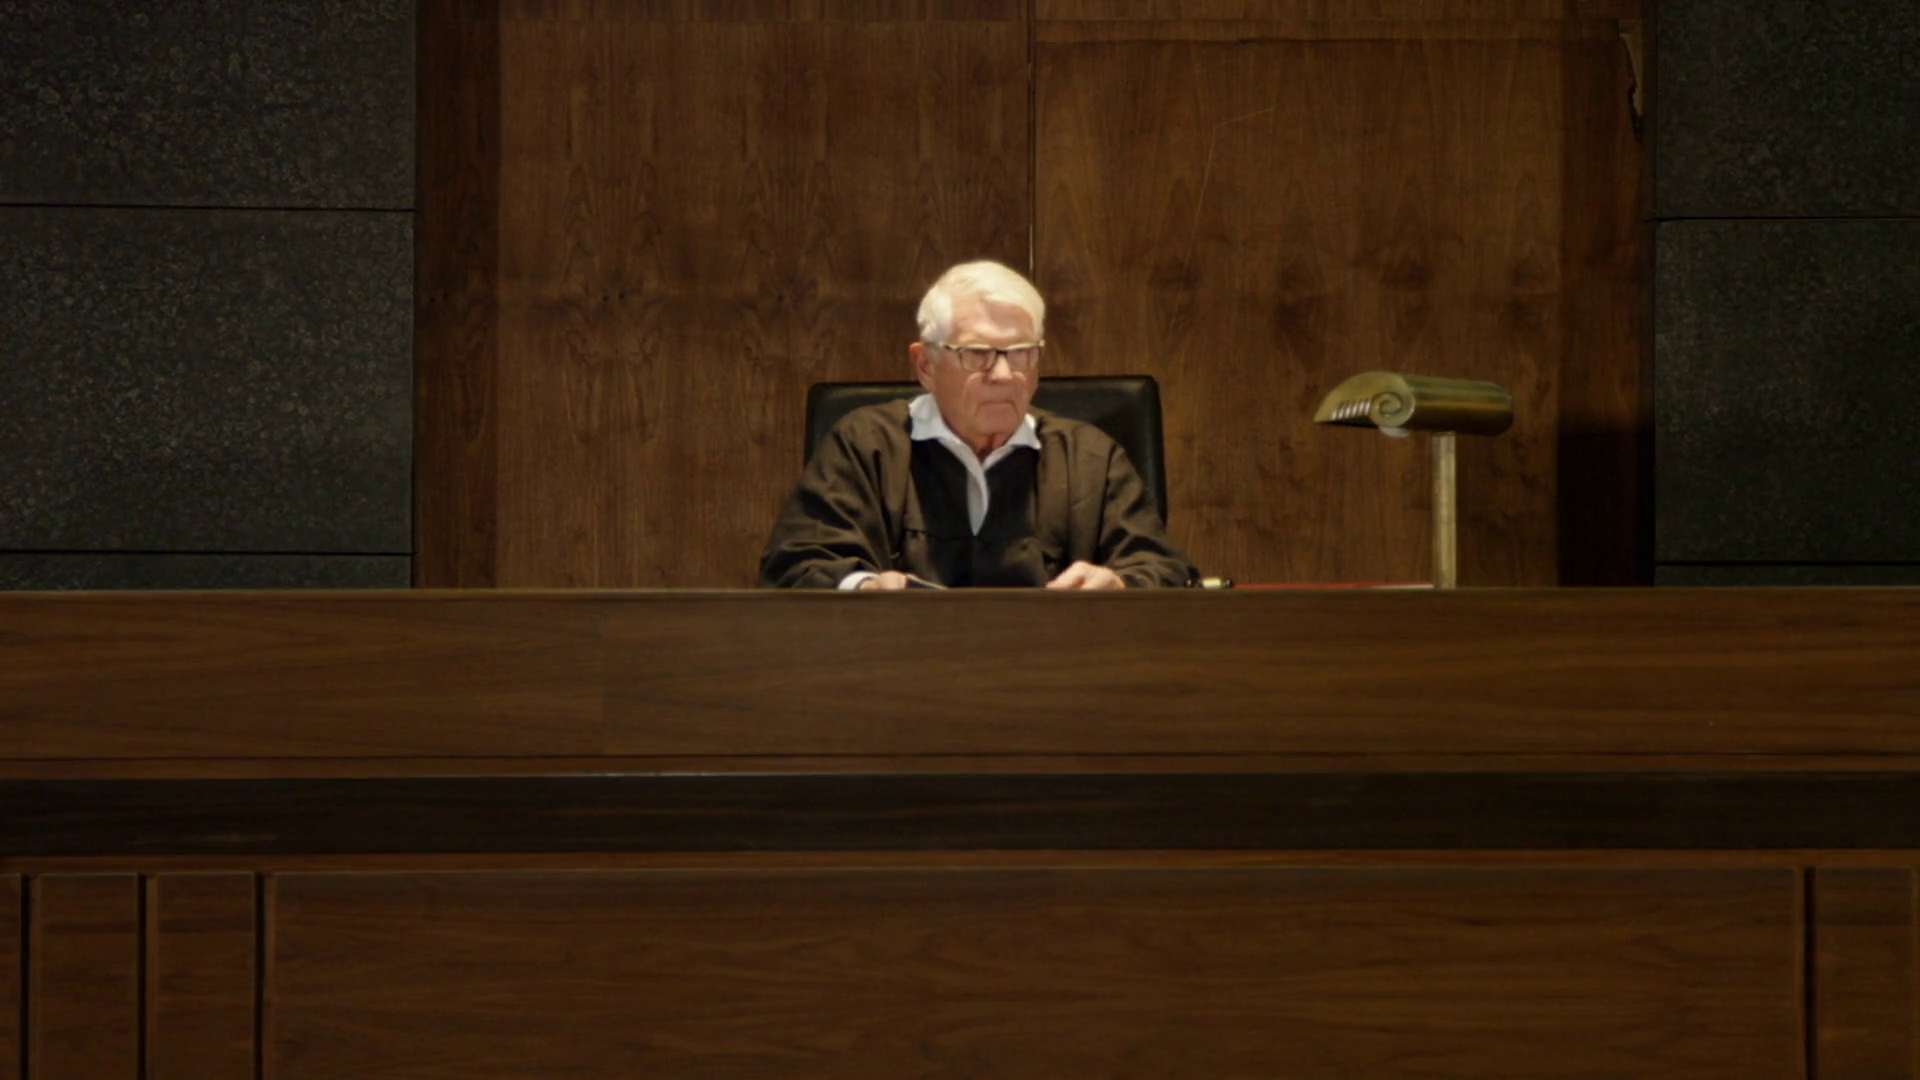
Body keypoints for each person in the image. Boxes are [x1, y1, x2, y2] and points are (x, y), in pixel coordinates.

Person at [759, 260, 1197, 590]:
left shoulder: (1090, 459)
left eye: (1021, 352)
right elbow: (795, 567)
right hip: (897, 672)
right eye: (977, 354)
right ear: (925, 365)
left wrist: (1121, 584)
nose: (1004, 375)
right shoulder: (866, 446)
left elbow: (1166, 571)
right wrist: (865, 587)